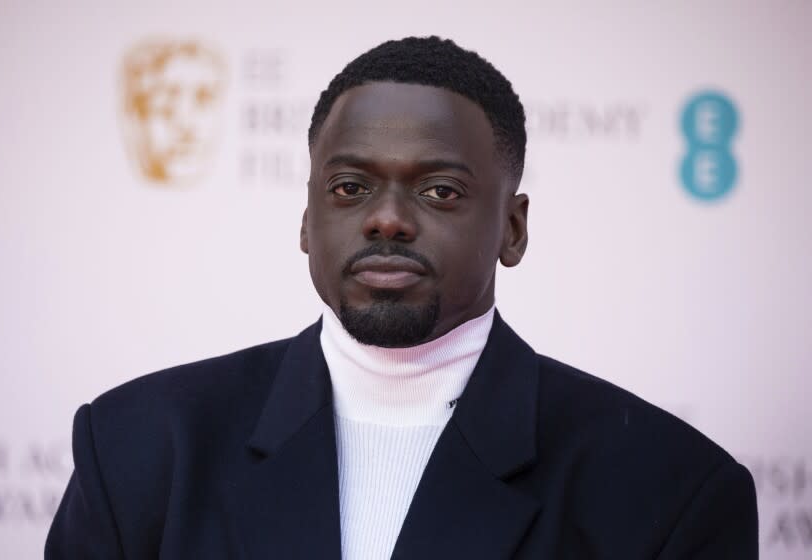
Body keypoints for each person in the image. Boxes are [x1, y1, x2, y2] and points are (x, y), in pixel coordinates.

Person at [46, 36, 758, 559]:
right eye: (350, 188)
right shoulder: (140, 449)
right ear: (306, 220)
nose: (386, 219)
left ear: (512, 229)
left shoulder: (671, 492)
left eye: (439, 191)